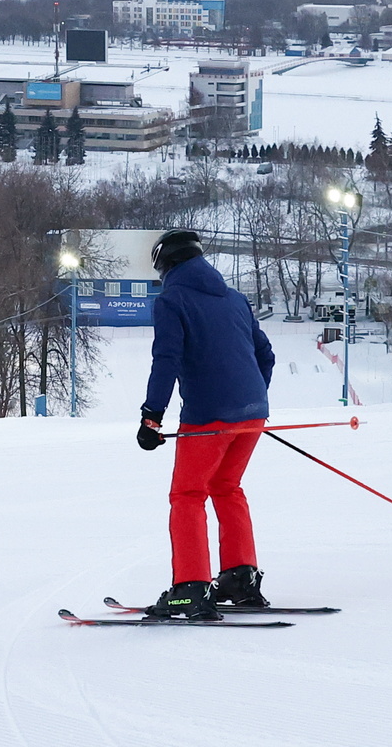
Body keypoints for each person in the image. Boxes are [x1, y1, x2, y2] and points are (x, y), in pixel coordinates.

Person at [136, 229, 275, 619]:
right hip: (252, 414)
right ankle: (240, 578)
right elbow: (266, 356)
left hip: (208, 418)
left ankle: (191, 588)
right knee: (226, 487)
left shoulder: (172, 300)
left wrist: (151, 417)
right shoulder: (234, 299)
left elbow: (166, 360)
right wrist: (248, 400)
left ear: (165, 265)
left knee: (187, 495)